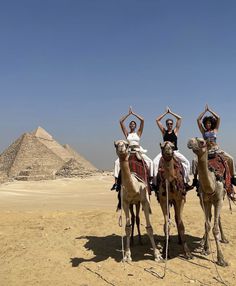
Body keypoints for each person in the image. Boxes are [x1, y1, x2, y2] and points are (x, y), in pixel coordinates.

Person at [193, 104, 236, 187]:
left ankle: (233, 177)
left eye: (209, 123)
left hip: (216, 149)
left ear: (211, 124)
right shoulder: (203, 131)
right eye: (206, 123)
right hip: (207, 150)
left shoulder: (215, 130)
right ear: (204, 124)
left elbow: (218, 118)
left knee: (231, 159)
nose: (207, 125)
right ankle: (195, 179)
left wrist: (210, 110)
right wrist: (205, 111)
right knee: (195, 161)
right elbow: (198, 120)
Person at [111, 107, 153, 191]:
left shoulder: (138, 133)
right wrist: (128, 114)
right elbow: (121, 121)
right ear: (129, 126)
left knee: (150, 162)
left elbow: (142, 120)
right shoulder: (127, 134)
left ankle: (151, 182)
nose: (132, 125)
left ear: (135, 126)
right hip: (129, 151)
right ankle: (116, 183)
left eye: (133, 124)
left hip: (138, 151)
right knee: (117, 162)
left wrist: (134, 114)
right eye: (131, 124)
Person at [153, 106, 193, 190]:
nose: (170, 125)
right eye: (168, 124)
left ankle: (185, 182)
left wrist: (170, 112)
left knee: (187, 162)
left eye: (171, 124)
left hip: (175, 152)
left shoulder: (175, 131)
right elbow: (157, 120)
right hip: (164, 153)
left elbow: (179, 118)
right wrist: (165, 113)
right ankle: (155, 183)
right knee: (154, 162)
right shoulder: (164, 132)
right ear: (166, 125)